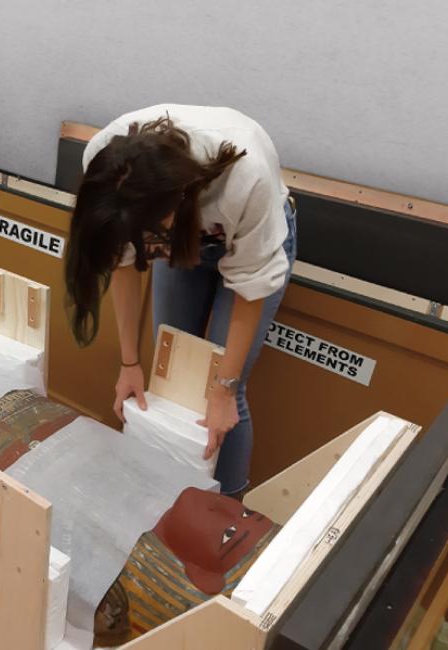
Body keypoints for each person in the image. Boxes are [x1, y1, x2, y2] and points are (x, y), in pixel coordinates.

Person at [64, 105, 297, 496]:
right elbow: (123, 262)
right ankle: (161, 501)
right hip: (179, 230)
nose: (145, 251)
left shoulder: (246, 178)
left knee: (223, 398)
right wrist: (129, 364)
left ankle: (227, 511)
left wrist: (223, 390)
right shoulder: (106, 164)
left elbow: (251, 288)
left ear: (177, 203)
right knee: (169, 379)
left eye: (149, 241)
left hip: (248, 242)